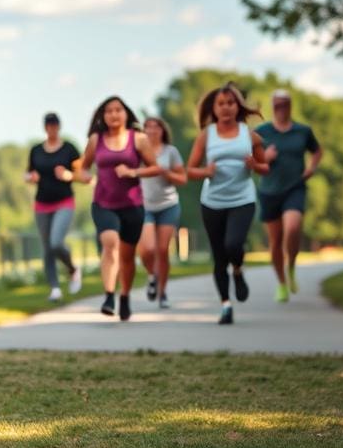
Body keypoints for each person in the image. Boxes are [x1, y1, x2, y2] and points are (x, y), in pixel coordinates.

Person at [185, 82, 268, 325]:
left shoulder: (249, 135)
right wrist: (206, 172)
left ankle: (239, 271)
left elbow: (266, 168)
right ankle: (225, 305)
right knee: (219, 257)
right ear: (214, 108)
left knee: (233, 244)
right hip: (212, 202)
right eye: (221, 104)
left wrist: (255, 166)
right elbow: (190, 170)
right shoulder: (206, 135)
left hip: (242, 199)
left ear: (238, 106)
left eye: (231, 103)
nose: (226, 108)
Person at [72, 97, 158, 321]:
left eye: (118, 110)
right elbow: (83, 169)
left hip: (132, 205)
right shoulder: (95, 140)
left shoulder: (138, 139)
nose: (113, 115)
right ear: (103, 116)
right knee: (110, 244)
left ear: (126, 114)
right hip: (103, 203)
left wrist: (133, 173)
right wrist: (85, 176)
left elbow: (155, 168)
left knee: (128, 258)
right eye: (108, 111)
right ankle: (109, 296)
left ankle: (125, 296)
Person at [255, 89, 323, 302]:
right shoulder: (261, 132)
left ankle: (291, 265)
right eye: (277, 105)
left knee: (293, 227)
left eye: (285, 104)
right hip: (269, 190)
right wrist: (265, 157)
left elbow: (317, 151)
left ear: (290, 106)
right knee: (275, 241)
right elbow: (251, 161)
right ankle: (282, 283)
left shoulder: (303, 131)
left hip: (295, 187)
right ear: (272, 106)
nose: (281, 108)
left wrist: (311, 167)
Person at [25, 112, 83, 301]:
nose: (51, 128)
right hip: (42, 204)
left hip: (64, 202)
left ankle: (73, 269)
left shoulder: (69, 149)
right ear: (45, 128)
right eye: (48, 125)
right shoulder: (36, 150)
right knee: (47, 248)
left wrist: (69, 175)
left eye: (54, 125)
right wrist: (31, 178)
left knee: (56, 242)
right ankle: (55, 288)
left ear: (59, 126)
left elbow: (83, 174)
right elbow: (28, 174)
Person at [137, 117, 186, 309]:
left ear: (162, 130)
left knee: (163, 250)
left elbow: (183, 178)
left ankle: (163, 292)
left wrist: (167, 174)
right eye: (147, 127)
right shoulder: (139, 151)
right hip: (144, 206)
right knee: (147, 249)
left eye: (156, 127)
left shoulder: (170, 151)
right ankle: (152, 276)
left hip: (168, 205)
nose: (151, 130)